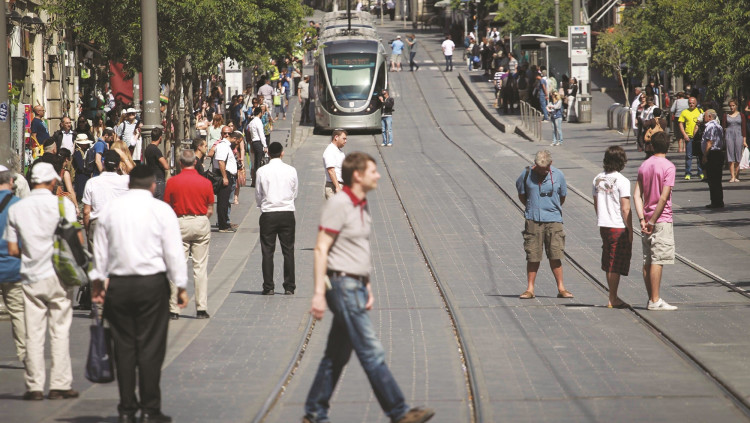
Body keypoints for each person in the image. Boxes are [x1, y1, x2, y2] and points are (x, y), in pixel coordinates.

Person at [304, 152, 435, 423]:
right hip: (341, 285)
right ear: (358, 175)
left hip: (355, 285)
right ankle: (399, 412)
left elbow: (358, 249)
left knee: (336, 355)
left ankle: (315, 412)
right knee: (371, 350)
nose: (378, 175)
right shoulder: (339, 204)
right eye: (373, 171)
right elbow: (321, 248)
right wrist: (318, 294)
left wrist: (368, 286)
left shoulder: (361, 204)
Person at [90, 165, 188, 423]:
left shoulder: (111, 210)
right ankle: (150, 409)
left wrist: (98, 282)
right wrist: (180, 285)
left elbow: (100, 250)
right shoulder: (161, 210)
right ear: (153, 185)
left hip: (119, 286)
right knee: (151, 347)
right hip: (152, 286)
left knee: (123, 348)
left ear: (129, 183)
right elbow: (174, 251)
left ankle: (126, 409)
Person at [5, 162, 79, 401]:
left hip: (31, 276)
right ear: (53, 181)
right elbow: (77, 239)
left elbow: (13, 249)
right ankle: (60, 384)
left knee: (33, 332)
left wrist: (31, 253)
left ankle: (34, 386)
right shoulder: (64, 205)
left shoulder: (17, 208)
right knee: (60, 330)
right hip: (59, 276)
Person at [515, 150, 572, 299]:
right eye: (539, 168)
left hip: (554, 219)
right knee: (533, 255)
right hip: (533, 219)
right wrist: (531, 207)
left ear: (550, 164)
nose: (542, 171)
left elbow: (562, 196)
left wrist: (552, 208)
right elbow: (521, 193)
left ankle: (561, 288)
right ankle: (530, 289)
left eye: (545, 168)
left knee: (555, 254)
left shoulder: (559, 175)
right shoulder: (526, 174)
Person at [164, 149, 214, 319]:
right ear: (195, 162)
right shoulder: (205, 182)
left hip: (180, 223)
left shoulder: (172, 182)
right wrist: (201, 218)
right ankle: (201, 308)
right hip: (200, 221)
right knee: (200, 267)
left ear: (180, 163)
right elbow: (210, 208)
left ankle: (174, 309)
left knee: (177, 266)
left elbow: (167, 206)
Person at [633, 132, 678, 311]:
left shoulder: (644, 165)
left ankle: (651, 298)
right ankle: (655, 300)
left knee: (647, 259)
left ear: (652, 145)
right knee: (657, 260)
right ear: (667, 146)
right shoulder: (669, 167)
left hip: (646, 220)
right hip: (661, 219)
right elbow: (663, 197)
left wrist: (642, 219)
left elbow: (637, 195)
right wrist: (652, 221)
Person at [255, 142, 298, 296]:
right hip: (287, 212)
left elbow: (258, 193)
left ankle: (268, 287)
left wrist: (262, 205)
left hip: (269, 213)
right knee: (288, 250)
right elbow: (295, 191)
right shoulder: (291, 170)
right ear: (282, 153)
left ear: (268, 154)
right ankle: (289, 286)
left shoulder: (261, 171)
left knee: (267, 251)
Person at [593, 147, 632, 308]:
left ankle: (612, 296)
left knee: (609, 259)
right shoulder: (623, 181)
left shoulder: (597, 179)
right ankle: (613, 298)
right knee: (615, 262)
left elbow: (596, 203)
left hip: (604, 225)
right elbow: (625, 208)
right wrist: (630, 230)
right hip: (618, 226)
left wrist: (602, 217)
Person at [0, 166, 25, 364]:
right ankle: (26, 355)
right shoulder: (19, 206)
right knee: (18, 313)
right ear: (10, 181)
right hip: (13, 267)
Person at [82, 150, 130, 253]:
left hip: (98, 224)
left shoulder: (92, 182)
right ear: (118, 165)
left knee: (96, 259)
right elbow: (138, 174)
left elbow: (86, 212)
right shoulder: (126, 180)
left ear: (103, 163)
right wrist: (124, 157)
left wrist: (87, 229)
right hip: (119, 224)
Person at [214, 129, 239, 233]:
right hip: (224, 174)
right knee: (223, 201)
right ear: (234, 138)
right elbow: (221, 162)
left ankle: (225, 223)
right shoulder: (223, 146)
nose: (237, 144)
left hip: (227, 174)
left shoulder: (226, 146)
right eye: (237, 141)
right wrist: (225, 177)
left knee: (225, 201)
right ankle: (223, 225)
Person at [701, 109, 725, 209]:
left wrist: (705, 155)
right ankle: (718, 201)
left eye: (705, 116)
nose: (703, 117)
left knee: (712, 179)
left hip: (713, 154)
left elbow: (709, 142)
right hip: (718, 153)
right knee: (717, 179)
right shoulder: (719, 126)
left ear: (710, 117)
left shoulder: (710, 127)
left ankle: (715, 202)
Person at [678, 97, 704, 180]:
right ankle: (688, 173)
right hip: (689, 136)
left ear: (696, 103)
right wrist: (684, 134)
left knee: (699, 156)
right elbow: (680, 123)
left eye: (693, 103)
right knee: (689, 156)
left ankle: (700, 172)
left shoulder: (700, 111)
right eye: (690, 103)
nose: (691, 104)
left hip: (698, 137)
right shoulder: (684, 112)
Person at [722, 99, 747, 183]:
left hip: (739, 135)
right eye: (730, 106)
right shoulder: (726, 115)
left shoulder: (741, 115)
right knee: (730, 156)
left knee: (738, 156)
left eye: (733, 105)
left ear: (736, 106)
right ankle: (732, 176)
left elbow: (744, 128)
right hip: (729, 136)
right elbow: (723, 127)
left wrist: (744, 140)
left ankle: (737, 175)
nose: (732, 107)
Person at [144, 127, 170, 200]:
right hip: (158, 180)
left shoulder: (147, 148)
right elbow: (166, 166)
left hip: (151, 179)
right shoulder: (156, 150)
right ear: (160, 137)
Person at [323, 129, 347, 199]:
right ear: (336, 137)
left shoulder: (338, 150)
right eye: (344, 138)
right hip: (334, 187)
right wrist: (337, 187)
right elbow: (331, 170)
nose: (345, 141)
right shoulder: (330, 151)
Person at [248, 106, 268, 187]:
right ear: (260, 113)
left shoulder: (251, 122)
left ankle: (255, 180)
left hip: (253, 142)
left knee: (256, 162)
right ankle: (258, 181)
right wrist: (265, 145)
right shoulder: (258, 121)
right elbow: (261, 134)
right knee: (259, 162)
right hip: (258, 142)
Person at [72, 134, 93, 200]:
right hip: (81, 176)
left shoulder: (83, 151)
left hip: (84, 176)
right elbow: (80, 166)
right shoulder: (78, 152)